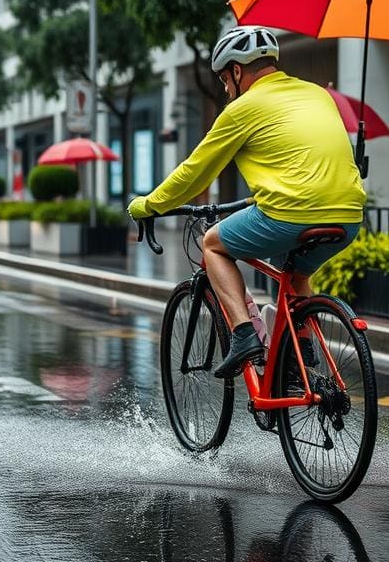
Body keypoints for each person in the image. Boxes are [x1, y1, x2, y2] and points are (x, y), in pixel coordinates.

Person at [126, 26, 366, 377]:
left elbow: (195, 172)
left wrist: (148, 205)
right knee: (293, 271)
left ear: (237, 71)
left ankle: (243, 335)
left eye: (224, 79)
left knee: (213, 244)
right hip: (348, 217)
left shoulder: (243, 108)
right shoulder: (318, 94)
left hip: (289, 213)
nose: (225, 88)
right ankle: (301, 359)